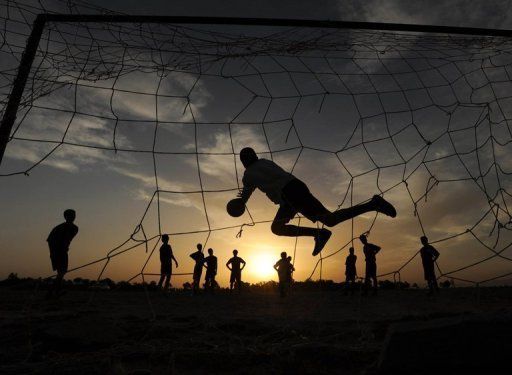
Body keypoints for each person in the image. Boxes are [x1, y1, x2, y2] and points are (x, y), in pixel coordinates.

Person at [234, 147, 396, 256]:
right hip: (296, 188)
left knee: (277, 228)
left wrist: (238, 204)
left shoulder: (248, 174)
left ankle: (319, 233)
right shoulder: (265, 162)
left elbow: (245, 195)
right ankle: (371, 205)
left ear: (243, 162)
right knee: (330, 220)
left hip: (289, 194)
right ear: (255, 156)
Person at [46, 209, 79, 298]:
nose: (73, 217)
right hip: (58, 252)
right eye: (70, 215)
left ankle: (54, 291)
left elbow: (67, 239)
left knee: (61, 272)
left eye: (74, 215)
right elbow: (50, 240)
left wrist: (63, 248)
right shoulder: (59, 228)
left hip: (63, 251)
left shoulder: (74, 228)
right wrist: (54, 252)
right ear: (66, 217)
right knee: (61, 272)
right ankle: (54, 291)